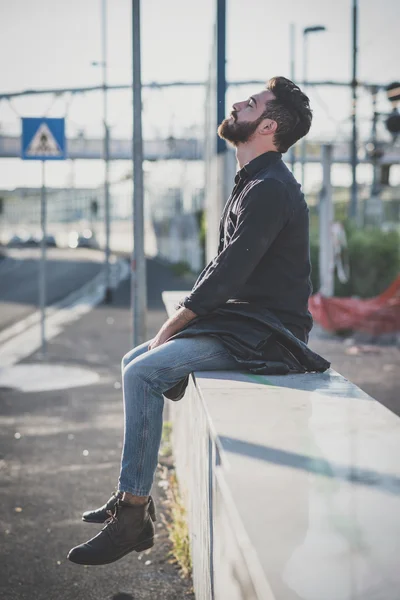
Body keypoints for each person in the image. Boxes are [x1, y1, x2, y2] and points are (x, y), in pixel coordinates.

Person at [67, 76, 329, 566]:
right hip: (244, 323)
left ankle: (132, 515)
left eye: (250, 104)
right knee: (137, 359)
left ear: (267, 125)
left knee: (142, 371)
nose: (237, 104)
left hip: (270, 335)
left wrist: (174, 324)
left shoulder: (270, 188)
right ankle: (132, 501)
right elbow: (223, 266)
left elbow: (229, 272)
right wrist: (181, 322)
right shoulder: (255, 180)